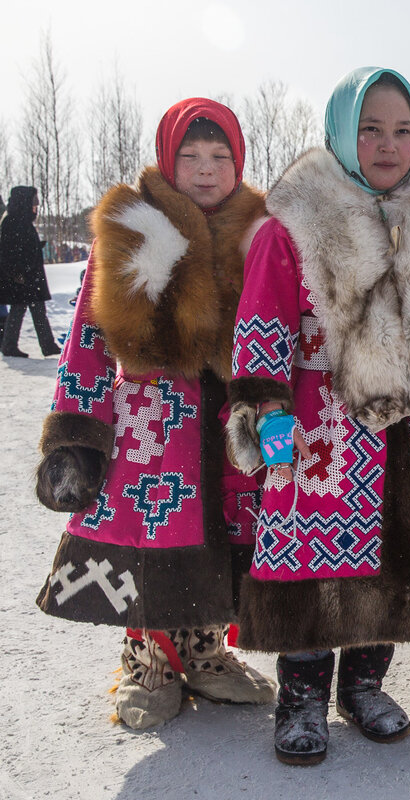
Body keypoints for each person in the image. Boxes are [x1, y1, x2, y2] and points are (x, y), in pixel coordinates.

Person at [225, 68, 410, 765]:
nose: (389, 144)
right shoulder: (291, 225)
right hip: (321, 430)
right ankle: (301, 695)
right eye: (370, 127)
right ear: (339, 133)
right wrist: (264, 406)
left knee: (398, 556)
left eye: (403, 130)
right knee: (310, 559)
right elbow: (260, 322)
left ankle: (363, 685)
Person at [33, 98, 275, 729]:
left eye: (220, 156)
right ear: (169, 160)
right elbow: (86, 335)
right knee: (154, 538)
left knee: (224, 536)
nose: (205, 169)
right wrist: (76, 433)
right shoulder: (133, 226)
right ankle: (148, 659)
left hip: (229, 424)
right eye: (190, 156)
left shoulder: (261, 233)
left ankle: (203, 651)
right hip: (153, 432)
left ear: (239, 162)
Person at [1, 186, 58, 357]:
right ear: (24, 202)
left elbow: (22, 247)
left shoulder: (21, 220)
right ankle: (11, 346)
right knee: (22, 310)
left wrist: (35, 248)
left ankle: (46, 345)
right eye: (34, 202)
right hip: (22, 277)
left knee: (34, 310)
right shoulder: (12, 222)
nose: (36, 206)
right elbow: (9, 252)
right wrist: (18, 273)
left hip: (29, 276)